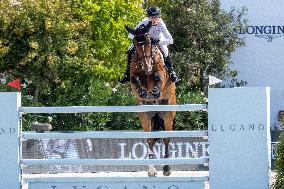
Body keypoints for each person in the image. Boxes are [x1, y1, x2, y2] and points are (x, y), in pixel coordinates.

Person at [120, 6, 180, 84]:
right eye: (151, 17)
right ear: (148, 17)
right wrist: (139, 36)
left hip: (157, 41)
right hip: (144, 42)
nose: (153, 20)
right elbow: (131, 35)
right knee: (131, 51)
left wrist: (159, 42)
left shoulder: (161, 24)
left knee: (165, 51)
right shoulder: (144, 22)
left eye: (156, 17)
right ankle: (127, 73)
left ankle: (172, 72)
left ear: (159, 17)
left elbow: (170, 40)